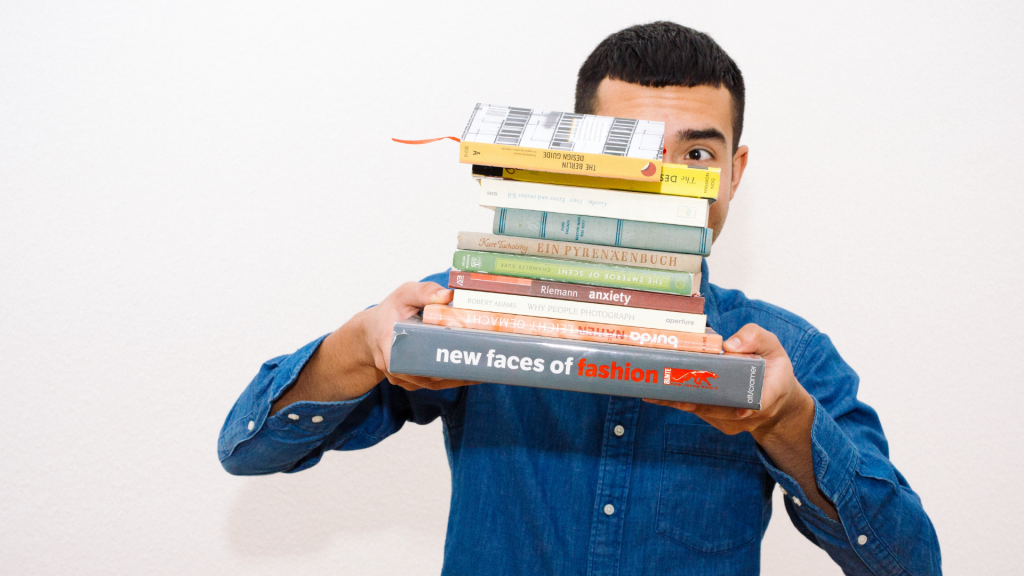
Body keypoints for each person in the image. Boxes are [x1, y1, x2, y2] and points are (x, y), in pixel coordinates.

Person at [218, 21, 941, 575]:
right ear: (578, 161)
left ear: (734, 171)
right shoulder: (476, 307)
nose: (668, 187)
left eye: (696, 156)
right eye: (632, 153)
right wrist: (358, 348)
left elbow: (910, 562)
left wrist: (786, 418)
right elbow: (247, 447)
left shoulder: (785, 353)